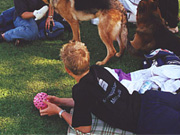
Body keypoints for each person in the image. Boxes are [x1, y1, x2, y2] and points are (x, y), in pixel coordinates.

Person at [39, 41, 180, 134]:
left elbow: (83, 128)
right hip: (149, 98)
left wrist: (59, 111)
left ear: (67, 69)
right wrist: (60, 101)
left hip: (146, 117)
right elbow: (89, 100)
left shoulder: (81, 90)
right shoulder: (99, 70)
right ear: (88, 59)